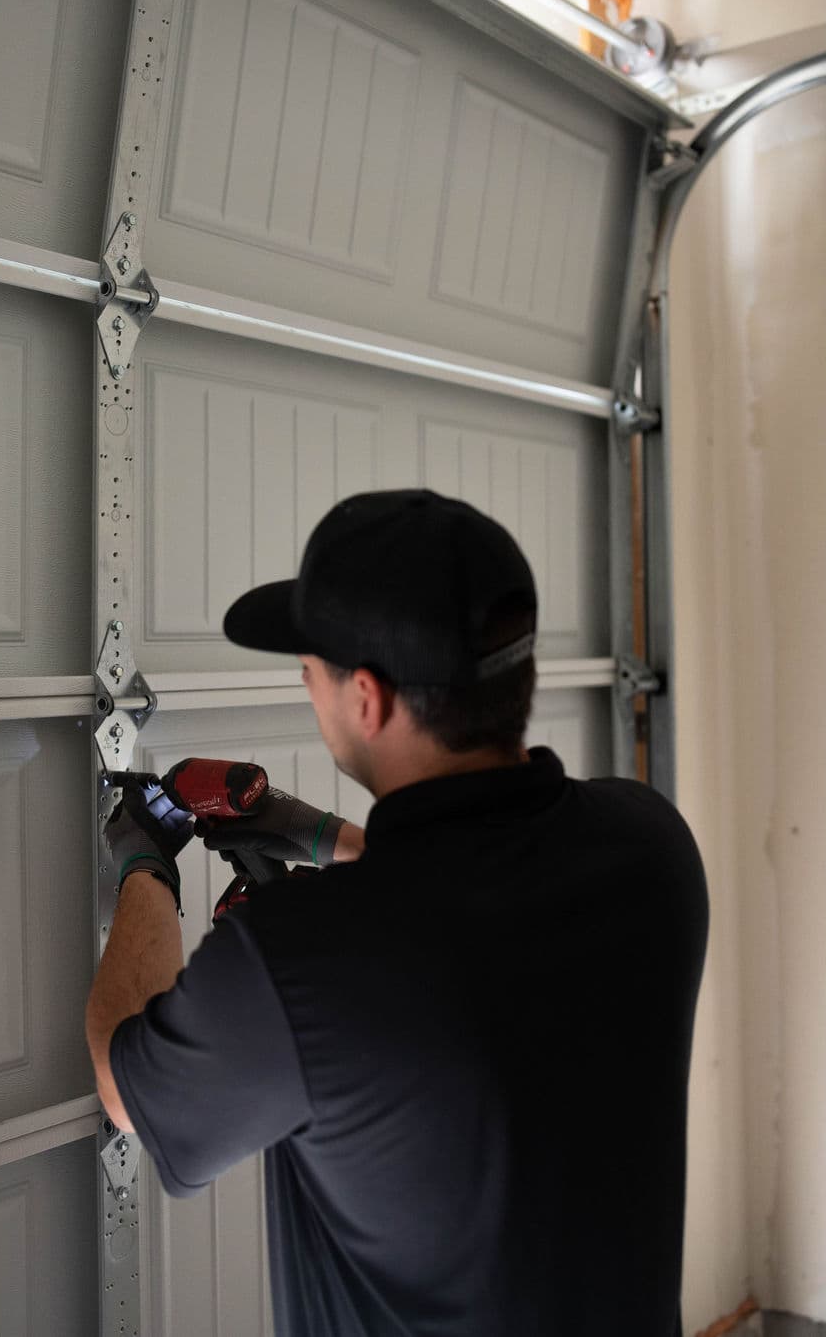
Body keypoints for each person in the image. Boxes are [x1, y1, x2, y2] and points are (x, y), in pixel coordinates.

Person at [86, 488, 708, 1336]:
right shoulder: (651, 847)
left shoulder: (300, 961)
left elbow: (127, 1084)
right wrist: (316, 838)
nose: (306, 685)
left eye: (309, 671)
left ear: (367, 700)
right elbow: (483, 891)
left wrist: (144, 865)